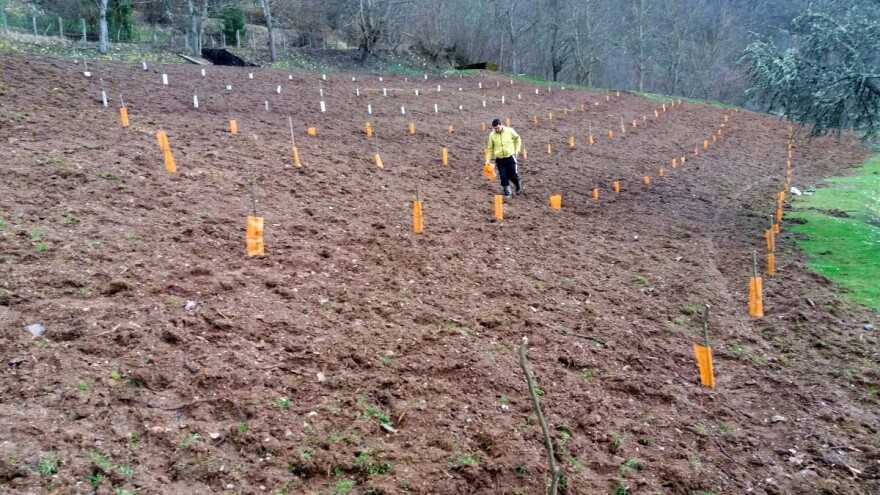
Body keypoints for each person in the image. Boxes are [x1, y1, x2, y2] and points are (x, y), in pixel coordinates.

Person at [486, 118, 523, 197]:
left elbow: (518, 139)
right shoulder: (492, 135)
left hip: (510, 156)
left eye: (498, 128)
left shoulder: (509, 131)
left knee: (512, 175)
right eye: (495, 129)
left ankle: (518, 185)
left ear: (501, 125)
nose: (497, 130)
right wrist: (487, 160)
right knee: (503, 176)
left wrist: (517, 150)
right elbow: (490, 149)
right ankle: (508, 193)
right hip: (499, 159)